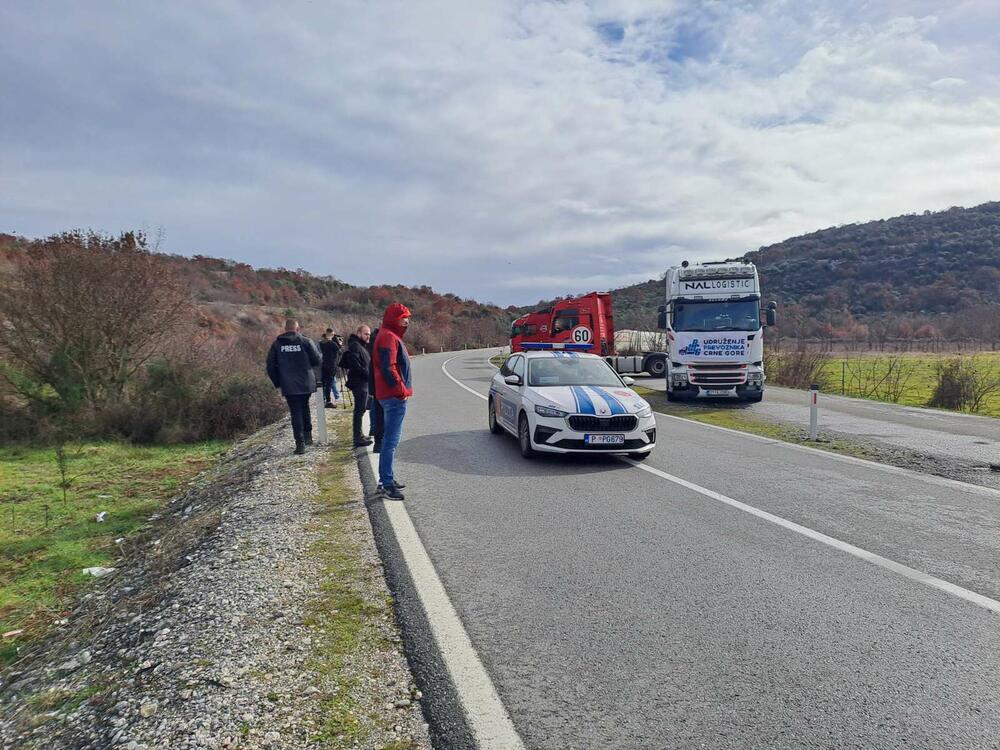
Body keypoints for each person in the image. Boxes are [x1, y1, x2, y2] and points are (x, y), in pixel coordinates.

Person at [372, 304, 412, 500]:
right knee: (391, 441)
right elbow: (389, 367)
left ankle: (387, 479)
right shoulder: (388, 336)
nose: (407, 321)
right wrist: (401, 391)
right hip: (393, 396)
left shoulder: (388, 335)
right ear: (394, 318)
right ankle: (386, 483)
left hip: (388, 395)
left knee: (390, 440)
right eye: (404, 317)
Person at [266, 318, 322, 455]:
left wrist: (278, 382)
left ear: (285, 330)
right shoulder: (306, 341)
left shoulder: (277, 345)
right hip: (305, 382)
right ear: (297, 329)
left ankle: (300, 443)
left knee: (295, 411)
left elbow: (270, 366)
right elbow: (317, 360)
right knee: (305, 407)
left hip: (288, 384)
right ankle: (308, 436)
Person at [340, 324, 373, 447]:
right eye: (365, 333)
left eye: (369, 334)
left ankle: (360, 435)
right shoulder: (355, 346)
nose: (368, 336)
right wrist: (366, 374)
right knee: (359, 410)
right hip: (359, 383)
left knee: (361, 410)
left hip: (362, 382)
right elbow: (355, 364)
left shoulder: (360, 345)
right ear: (359, 333)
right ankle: (357, 437)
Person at [366, 326, 385, 453]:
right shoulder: (382, 347)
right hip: (383, 385)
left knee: (377, 413)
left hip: (373, 384)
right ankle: (382, 441)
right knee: (385, 415)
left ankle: (378, 442)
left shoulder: (369, 347)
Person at [319, 328, 342, 408]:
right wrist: (338, 342)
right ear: (332, 334)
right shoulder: (332, 343)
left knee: (323, 383)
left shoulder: (321, 343)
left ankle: (322, 399)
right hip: (332, 365)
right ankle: (328, 401)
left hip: (324, 364)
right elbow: (340, 351)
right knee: (329, 383)